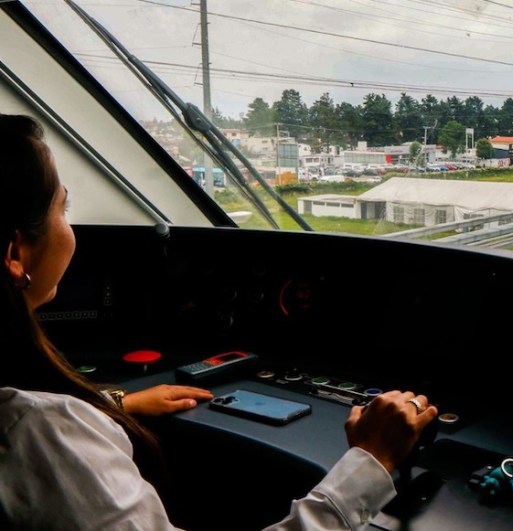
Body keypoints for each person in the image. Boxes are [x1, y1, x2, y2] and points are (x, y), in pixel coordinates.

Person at [0, 113, 439, 529]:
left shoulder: (41, 421)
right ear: (15, 254)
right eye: (63, 207)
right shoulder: (42, 434)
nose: (68, 225)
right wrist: (370, 464)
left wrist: (109, 405)